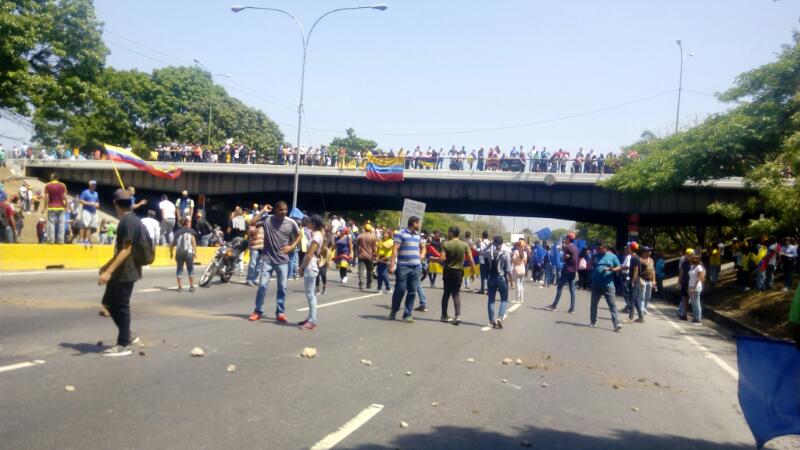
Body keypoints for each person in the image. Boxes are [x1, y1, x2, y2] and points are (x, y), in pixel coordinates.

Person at [97, 189, 145, 356]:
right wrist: (107, 266)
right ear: (131, 203)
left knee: (121, 305)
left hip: (127, 270)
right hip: (123, 268)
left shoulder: (127, 222)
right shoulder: (129, 220)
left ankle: (123, 343)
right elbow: (121, 251)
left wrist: (108, 271)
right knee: (109, 302)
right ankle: (127, 335)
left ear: (115, 204)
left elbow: (126, 250)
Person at [249, 202, 301, 323]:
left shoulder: (291, 222)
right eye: (281, 210)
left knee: (282, 287)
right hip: (267, 259)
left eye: (285, 210)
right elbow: (252, 223)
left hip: (282, 260)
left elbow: (300, 235)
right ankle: (257, 311)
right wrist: (263, 210)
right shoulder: (267, 219)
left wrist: (291, 247)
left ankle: (280, 312)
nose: (283, 212)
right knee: (262, 286)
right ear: (276, 210)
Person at [388, 216, 426, 322]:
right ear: (414, 223)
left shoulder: (419, 236)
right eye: (418, 223)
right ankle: (394, 310)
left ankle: (407, 314)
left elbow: (423, 247)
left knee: (412, 291)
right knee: (400, 290)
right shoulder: (401, 233)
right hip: (403, 267)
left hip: (416, 268)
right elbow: (395, 249)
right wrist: (392, 264)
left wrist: (422, 255)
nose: (419, 225)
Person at [440, 226, 474, 325]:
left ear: (451, 233)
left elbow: (442, 259)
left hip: (448, 271)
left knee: (446, 293)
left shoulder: (445, 244)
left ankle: (444, 315)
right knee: (456, 293)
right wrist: (472, 271)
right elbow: (471, 259)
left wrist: (442, 261)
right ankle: (457, 316)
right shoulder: (465, 245)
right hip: (459, 272)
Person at [298, 214, 324, 330]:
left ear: (313, 224)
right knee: (310, 294)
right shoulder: (315, 235)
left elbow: (309, 254)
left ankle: (312, 320)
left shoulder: (317, 236)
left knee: (311, 295)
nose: (307, 224)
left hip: (310, 265)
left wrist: (302, 267)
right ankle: (310, 318)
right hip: (310, 265)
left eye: (309, 222)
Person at [589, 241, 623, 332]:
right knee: (593, 304)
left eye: (600, 249)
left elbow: (619, 267)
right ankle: (593, 321)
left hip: (608, 285)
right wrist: (591, 259)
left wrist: (612, 269)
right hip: (596, 284)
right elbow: (588, 266)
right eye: (597, 249)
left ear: (605, 248)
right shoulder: (595, 256)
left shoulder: (612, 256)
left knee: (612, 305)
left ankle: (616, 324)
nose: (598, 251)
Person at [547, 233, 579, 313]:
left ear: (569, 239)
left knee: (560, 287)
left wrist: (563, 253)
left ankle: (554, 306)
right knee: (572, 289)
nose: (565, 239)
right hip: (573, 271)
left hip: (567, 270)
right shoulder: (575, 248)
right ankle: (572, 308)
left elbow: (564, 255)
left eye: (566, 238)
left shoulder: (568, 247)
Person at [486, 235, 511, 329]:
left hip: (491, 277)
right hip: (501, 278)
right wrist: (511, 280)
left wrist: (488, 246)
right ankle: (500, 317)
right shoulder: (506, 252)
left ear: (494, 243)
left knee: (491, 299)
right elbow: (508, 268)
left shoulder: (489, 252)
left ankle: (492, 320)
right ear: (502, 243)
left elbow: (480, 253)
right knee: (504, 299)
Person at [170, 217, 197, 292]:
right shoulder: (191, 231)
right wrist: (195, 252)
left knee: (179, 269)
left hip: (179, 253)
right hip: (189, 253)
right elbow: (193, 242)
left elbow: (173, 244)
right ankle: (191, 286)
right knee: (190, 269)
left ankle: (180, 287)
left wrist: (171, 253)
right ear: (187, 223)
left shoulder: (177, 232)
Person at [43, 172, 67, 243]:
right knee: (61, 224)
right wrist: (66, 206)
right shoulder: (63, 185)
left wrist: (44, 207)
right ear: (58, 178)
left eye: (51, 176)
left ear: (53, 177)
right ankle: (61, 240)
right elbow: (65, 197)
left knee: (51, 224)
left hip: (51, 207)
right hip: (61, 207)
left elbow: (46, 198)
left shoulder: (48, 185)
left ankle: (51, 239)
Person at [356, 223, 377, 290]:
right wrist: (375, 254)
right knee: (369, 270)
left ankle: (361, 284)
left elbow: (357, 244)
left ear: (364, 229)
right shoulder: (373, 237)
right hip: (369, 256)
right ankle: (369, 284)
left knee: (361, 270)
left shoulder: (360, 236)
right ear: (370, 229)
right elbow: (374, 248)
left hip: (361, 255)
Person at [78, 180, 99, 246]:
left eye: (95, 184)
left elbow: (97, 202)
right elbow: (80, 200)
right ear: (90, 185)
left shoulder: (96, 193)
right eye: (93, 184)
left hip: (93, 211)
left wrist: (97, 205)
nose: (94, 186)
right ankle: (81, 240)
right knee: (84, 225)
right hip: (86, 211)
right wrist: (89, 203)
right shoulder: (85, 192)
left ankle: (86, 240)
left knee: (90, 226)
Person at [688, 253, 706, 324]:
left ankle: (698, 318)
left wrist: (694, 287)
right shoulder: (692, 266)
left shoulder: (699, 267)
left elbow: (699, 278)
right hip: (691, 285)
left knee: (696, 302)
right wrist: (689, 287)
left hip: (696, 287)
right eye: (692, 258)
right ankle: (694, 317)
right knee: (692, 303)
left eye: (694, 258)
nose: (692, 259)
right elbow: (690, 277)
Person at [376, 227, 394, 294]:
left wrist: (379, 242)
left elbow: (387, 247)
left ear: (389, 234)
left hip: (386, 258)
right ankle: (379, 287)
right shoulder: (382, 241)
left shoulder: (391, 241)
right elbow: (379, 249)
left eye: (386, 234)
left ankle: (388, 287)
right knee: (379, 273)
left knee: (383, 273)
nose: (384, 235)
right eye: (383, 234)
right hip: (380, 258)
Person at [638, 246, 656, 313]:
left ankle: (644, 308)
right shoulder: (640, 260)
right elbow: (637, 271)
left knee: (648, 296)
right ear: (644, 252)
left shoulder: (651, 260)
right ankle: (641, 309)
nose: (650, 252)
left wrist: (654, 280)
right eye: (648, 251)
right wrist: (639, 279)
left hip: (650, 281)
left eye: (650, 251)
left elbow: (653, 270)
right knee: (642, 295)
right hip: (642, 279)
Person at [678, 249, 694, 320]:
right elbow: (681, 272)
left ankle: (695, 316)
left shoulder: (696, 263)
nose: (687, 256)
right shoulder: (684, 262)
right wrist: (679, 282)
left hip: (692, 283)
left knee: (693, 299)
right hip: (685, 282)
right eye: (686, 254)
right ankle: (684, 314)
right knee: (685, 298)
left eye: (688, 254)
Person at [511, 238, 528, 303]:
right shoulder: (525, 253)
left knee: (517, 285)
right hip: (523, 269)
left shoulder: (516, 252)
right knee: (521, 284)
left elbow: (513, 260)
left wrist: (513, 260)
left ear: (518, 246)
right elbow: (525, 262)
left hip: (517, 269)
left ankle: (517, 299)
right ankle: (522, 299)